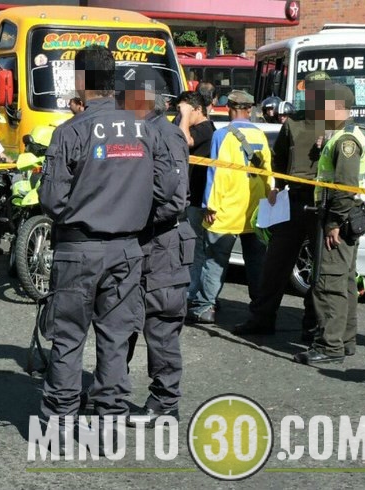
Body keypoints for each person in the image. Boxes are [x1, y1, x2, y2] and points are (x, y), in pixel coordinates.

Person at [35, 46, 176, 453]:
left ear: (81, 81)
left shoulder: (72, 130)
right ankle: (108, 427)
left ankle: (59, 430)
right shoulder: (145, 127)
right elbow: (167, 194)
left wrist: (85, 209)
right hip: (128, 249)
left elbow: (51, 200)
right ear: (112, 79)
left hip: (79, 248)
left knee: (68, 340)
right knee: (115, 341)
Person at [119, 67, 193, 426]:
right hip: (134, 241)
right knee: (121, 318)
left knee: (160, 325)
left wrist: (132, 216)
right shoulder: (134, 131)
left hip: (161, 243)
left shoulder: (166, 134)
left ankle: (164, 401)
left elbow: (174, 200)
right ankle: (113, 390)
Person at [234, 73, 329, 337]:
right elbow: (278, 160)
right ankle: (262, 318)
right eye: (310, 90)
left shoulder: (335, 122)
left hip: (321, 203)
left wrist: (330, 140)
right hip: (293, 200)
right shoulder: (294, 123)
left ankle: (313, 324)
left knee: (320, 269)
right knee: (274, 264)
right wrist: (275, 186)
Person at [294, 83, 365, 365]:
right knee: (345, 282)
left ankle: (330, 345)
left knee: (329, 283)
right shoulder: (341, 136)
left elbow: (345, 186)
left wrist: (333, 223)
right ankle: (345, 341)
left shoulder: (346, 141)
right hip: (346, 217)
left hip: (338, 218)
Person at [186, 90, 271, 324]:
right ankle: (259, 309)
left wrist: (210, 206)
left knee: (215, 261)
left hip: (225, 209)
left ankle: (205, 307)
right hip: (253, 210)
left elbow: (216, 173)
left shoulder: (222, 135)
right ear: (250, 109)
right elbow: (267, 175)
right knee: (256, 263)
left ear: (231, 108)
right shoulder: (261, 136)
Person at [176, 91, 217, 299]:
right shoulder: (196, 126)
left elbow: (185, 140)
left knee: (196, 247)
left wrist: (184, 116)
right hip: (190, 197)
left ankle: (192, 292)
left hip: (199, 199)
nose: (181, 115)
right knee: (188, 245)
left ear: (198, 109)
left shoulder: (206, 128)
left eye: (185, 109)